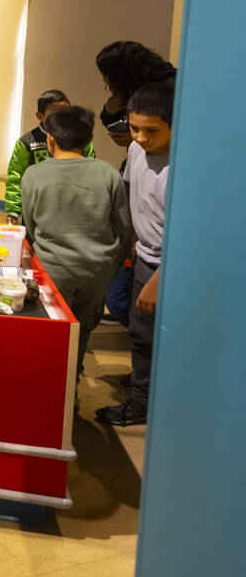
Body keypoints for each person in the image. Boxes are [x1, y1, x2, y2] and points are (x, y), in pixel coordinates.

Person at [21, 106, 133, 397]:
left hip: (53, 271)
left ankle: (47, 395)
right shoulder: (108, 174)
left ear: (50, 140)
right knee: (81, 331)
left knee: (51, 336)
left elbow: (31, 227)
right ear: (89, 139)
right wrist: (110, 267)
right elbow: (124, 229)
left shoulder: (34, 175)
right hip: (97, 272)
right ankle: (70, 389)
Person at [97, 81, 174, 427]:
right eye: (134, 128)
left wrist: (159, 280)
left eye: (152, 130)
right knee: (132, 319)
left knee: (146, 333)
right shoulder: (135, 152)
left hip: (165, 265)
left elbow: (186, 233)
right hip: (140, 253)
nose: (141, 138)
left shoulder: (181, 169)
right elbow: (133, 198)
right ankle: (148, 379)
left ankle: (143, 401)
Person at [4, 90, 96, 223]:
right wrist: (13, 211)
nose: (62, 117)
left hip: (73, 205)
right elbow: (15, 177)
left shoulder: (80, 138)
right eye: (56, 113)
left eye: (66, 111)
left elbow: (91, 168)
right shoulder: (27, 142)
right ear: (40, 116)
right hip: (37, 208)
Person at [96, 41, 176, 149]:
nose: (105, 80)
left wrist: (135, 138)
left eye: (107, 75)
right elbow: (123, 124)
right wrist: (108, 113)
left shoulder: (170, 87)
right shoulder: (132, 86)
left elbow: (175, 129)